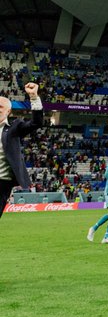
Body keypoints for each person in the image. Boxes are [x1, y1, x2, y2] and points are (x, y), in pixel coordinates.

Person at [0, 83, 44, 221]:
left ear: (8, 111)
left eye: (1, 107)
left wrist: (34, 97)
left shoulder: (14, 127)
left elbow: (36, 122)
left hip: (2, 183)